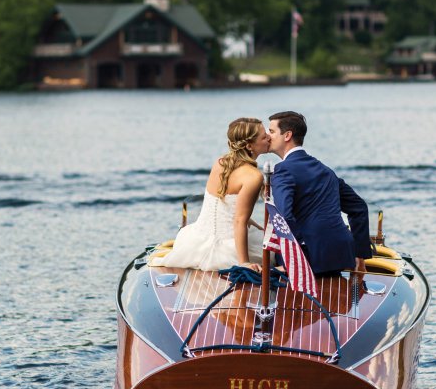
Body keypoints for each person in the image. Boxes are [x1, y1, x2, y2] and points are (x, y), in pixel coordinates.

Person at [149, 117, 270, 271]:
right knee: (270, 254)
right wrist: (244, 263)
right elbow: (239, 220)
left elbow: (233, 213)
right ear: (249, 145)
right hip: (228, 249)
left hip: (194, 243)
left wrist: (260, 229)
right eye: (264, 136)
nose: (269, 138)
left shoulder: (221, 163)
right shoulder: (253, 176)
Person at [268, 111, 372, 275]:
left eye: (272, 131)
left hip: (309, 258)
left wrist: (293, 260)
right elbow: (359, 207)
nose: (268, 136)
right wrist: (360, 254)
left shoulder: (283, 170)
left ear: (287, 135)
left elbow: (284, 216)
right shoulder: (325, 170)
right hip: (341, 254)